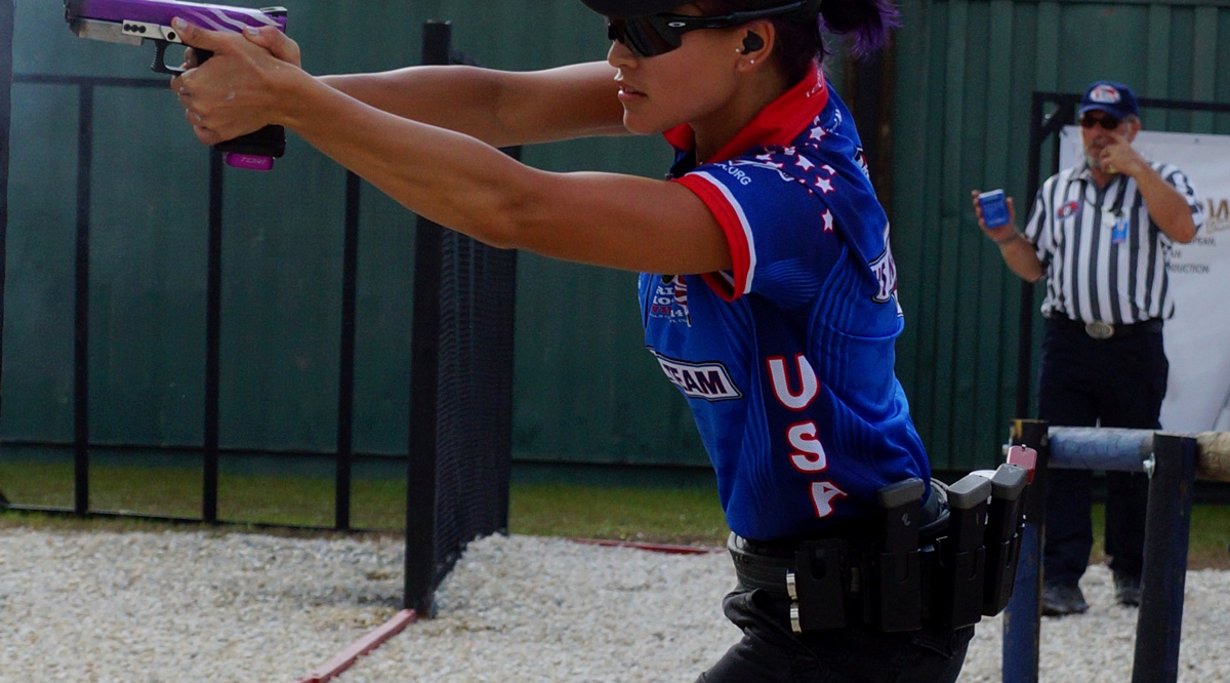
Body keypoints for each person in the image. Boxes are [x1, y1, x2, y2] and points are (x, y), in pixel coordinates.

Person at [171, 0, 974, 679]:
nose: (618, 54)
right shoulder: (733, 99)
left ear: (752, 43)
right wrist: (276, 93)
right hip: (827, 605)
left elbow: (513, 206)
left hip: (868, 627)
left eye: (647, 31)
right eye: (615, 26)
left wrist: (294, 102)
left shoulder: (793, 194)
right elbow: (498, 105)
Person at [972, 80, 1203, 617]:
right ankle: (1061, 577)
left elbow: (1186, 229)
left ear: (1132, 129)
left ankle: (1133, 574)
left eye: (1110, 123)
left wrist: (1137, 168)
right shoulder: (1058, 189)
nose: (1097, 133)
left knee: (1138, 459)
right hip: (1070, 341)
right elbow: (1034, 269)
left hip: (1135, 344)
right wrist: (1006, 237)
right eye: (1090, 123)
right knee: (1059, 459)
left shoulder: (1161, 179)